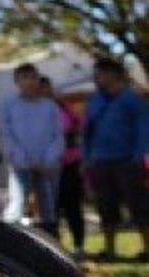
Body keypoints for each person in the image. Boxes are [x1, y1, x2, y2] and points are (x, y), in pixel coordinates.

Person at [83, 55, 149, 261]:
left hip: (127, 160)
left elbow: (143, 129)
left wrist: (137, 157)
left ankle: (147, 248)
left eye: (100, 74)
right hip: (101, 160)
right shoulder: (94, 100)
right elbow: (87, 130)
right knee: (106, 206)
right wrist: (87, 157)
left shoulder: (132, 99)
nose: (97, 78)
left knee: (138, 206)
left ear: (113, 75)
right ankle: (109, 250)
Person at [0, 62, 64, 236]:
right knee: (17, 204)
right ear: (17, 82)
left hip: (46, 166)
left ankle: (51, 244)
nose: (30, 82)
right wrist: (22, 159)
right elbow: (6, 135)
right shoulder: (9, 106)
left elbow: (57, 135)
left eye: (33, 77)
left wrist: (48, 160)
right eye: (25, 78)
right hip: (20, 165)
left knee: (48, 206)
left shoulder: (49, 106)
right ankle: (9, 240)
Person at [40, 76, 86, 259]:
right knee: (51, 208)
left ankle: (79, 246)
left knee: (72, 206)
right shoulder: (36, 111)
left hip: (69, 164)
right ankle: (54, 247)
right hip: (47, 167)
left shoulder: (63, 107)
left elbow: (79, 125)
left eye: (46, 88)